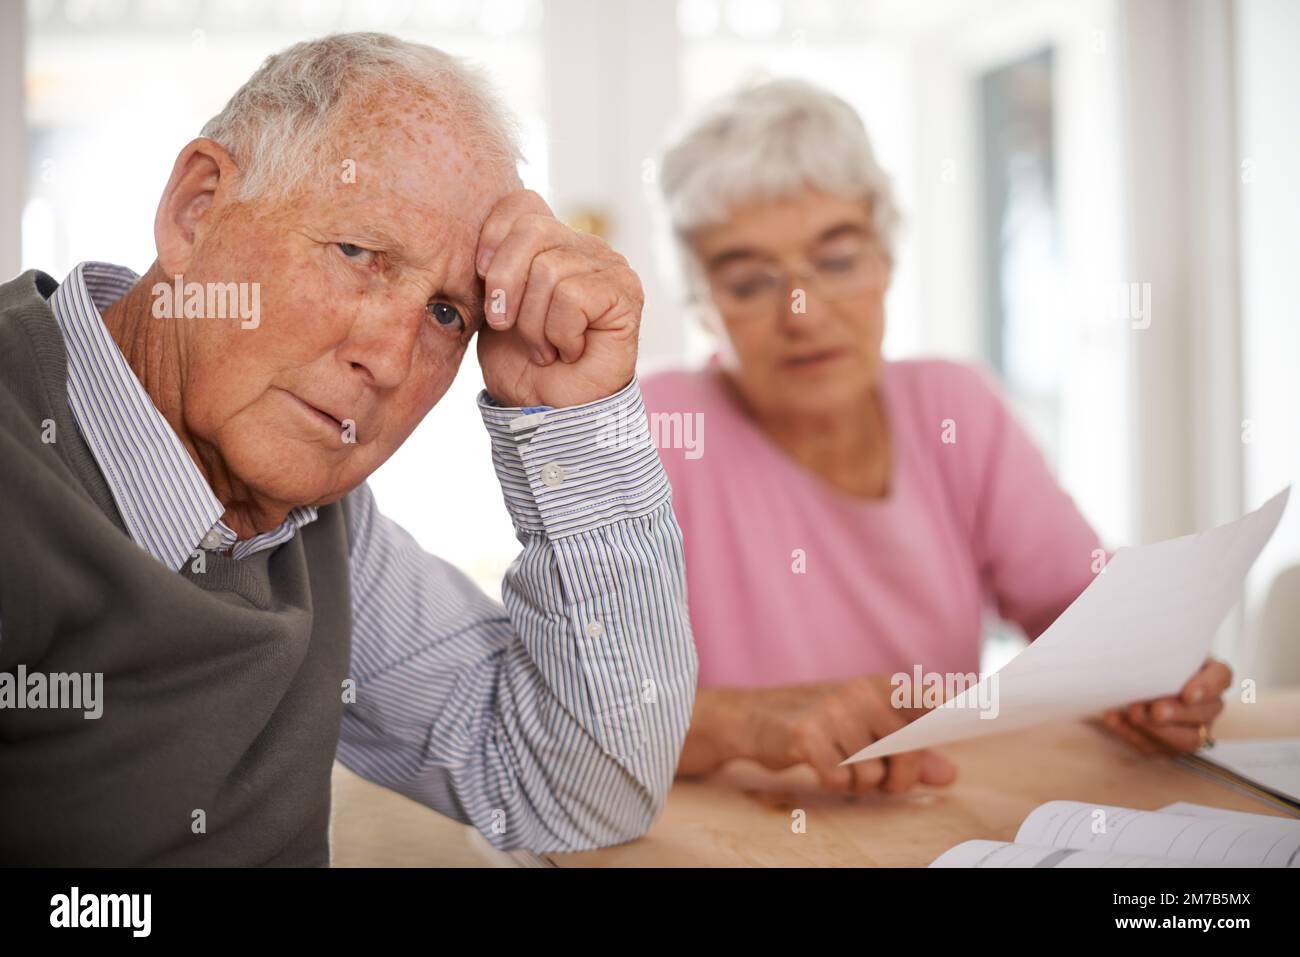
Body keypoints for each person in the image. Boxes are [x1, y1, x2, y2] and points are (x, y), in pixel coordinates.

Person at [0, 33, 696, 865]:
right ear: (196, 209)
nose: (392, 359)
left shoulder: (308, 519)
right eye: (359, 254)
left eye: (447, 314)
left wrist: (577, 422)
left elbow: (582, 789)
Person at [643, 78, 1229, 795]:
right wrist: (739, 722)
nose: (803, 312)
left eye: (836, 261)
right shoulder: (655, 431)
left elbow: (1081, 610)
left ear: (886, 260)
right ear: (700, 301)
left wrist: (1149, 673)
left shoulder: (954, 405)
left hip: (930, 813)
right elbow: (567, 715)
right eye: (748, 281)